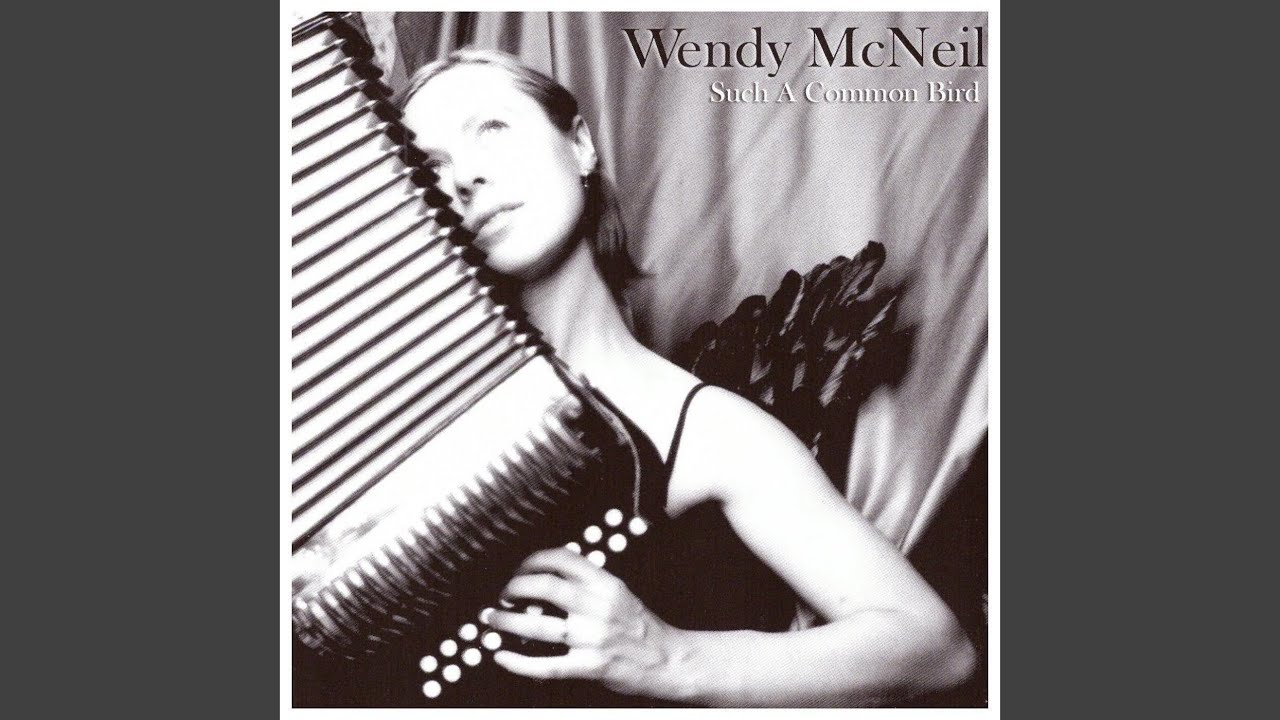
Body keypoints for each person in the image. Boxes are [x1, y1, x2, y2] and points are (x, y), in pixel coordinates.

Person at [392, 48, 976, 707]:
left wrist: (673, 656)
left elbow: (935, 648)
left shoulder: (710, 430)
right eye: (430, 166)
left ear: (579, 145)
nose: (465, 176)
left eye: (492, 128)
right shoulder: (414, 436)